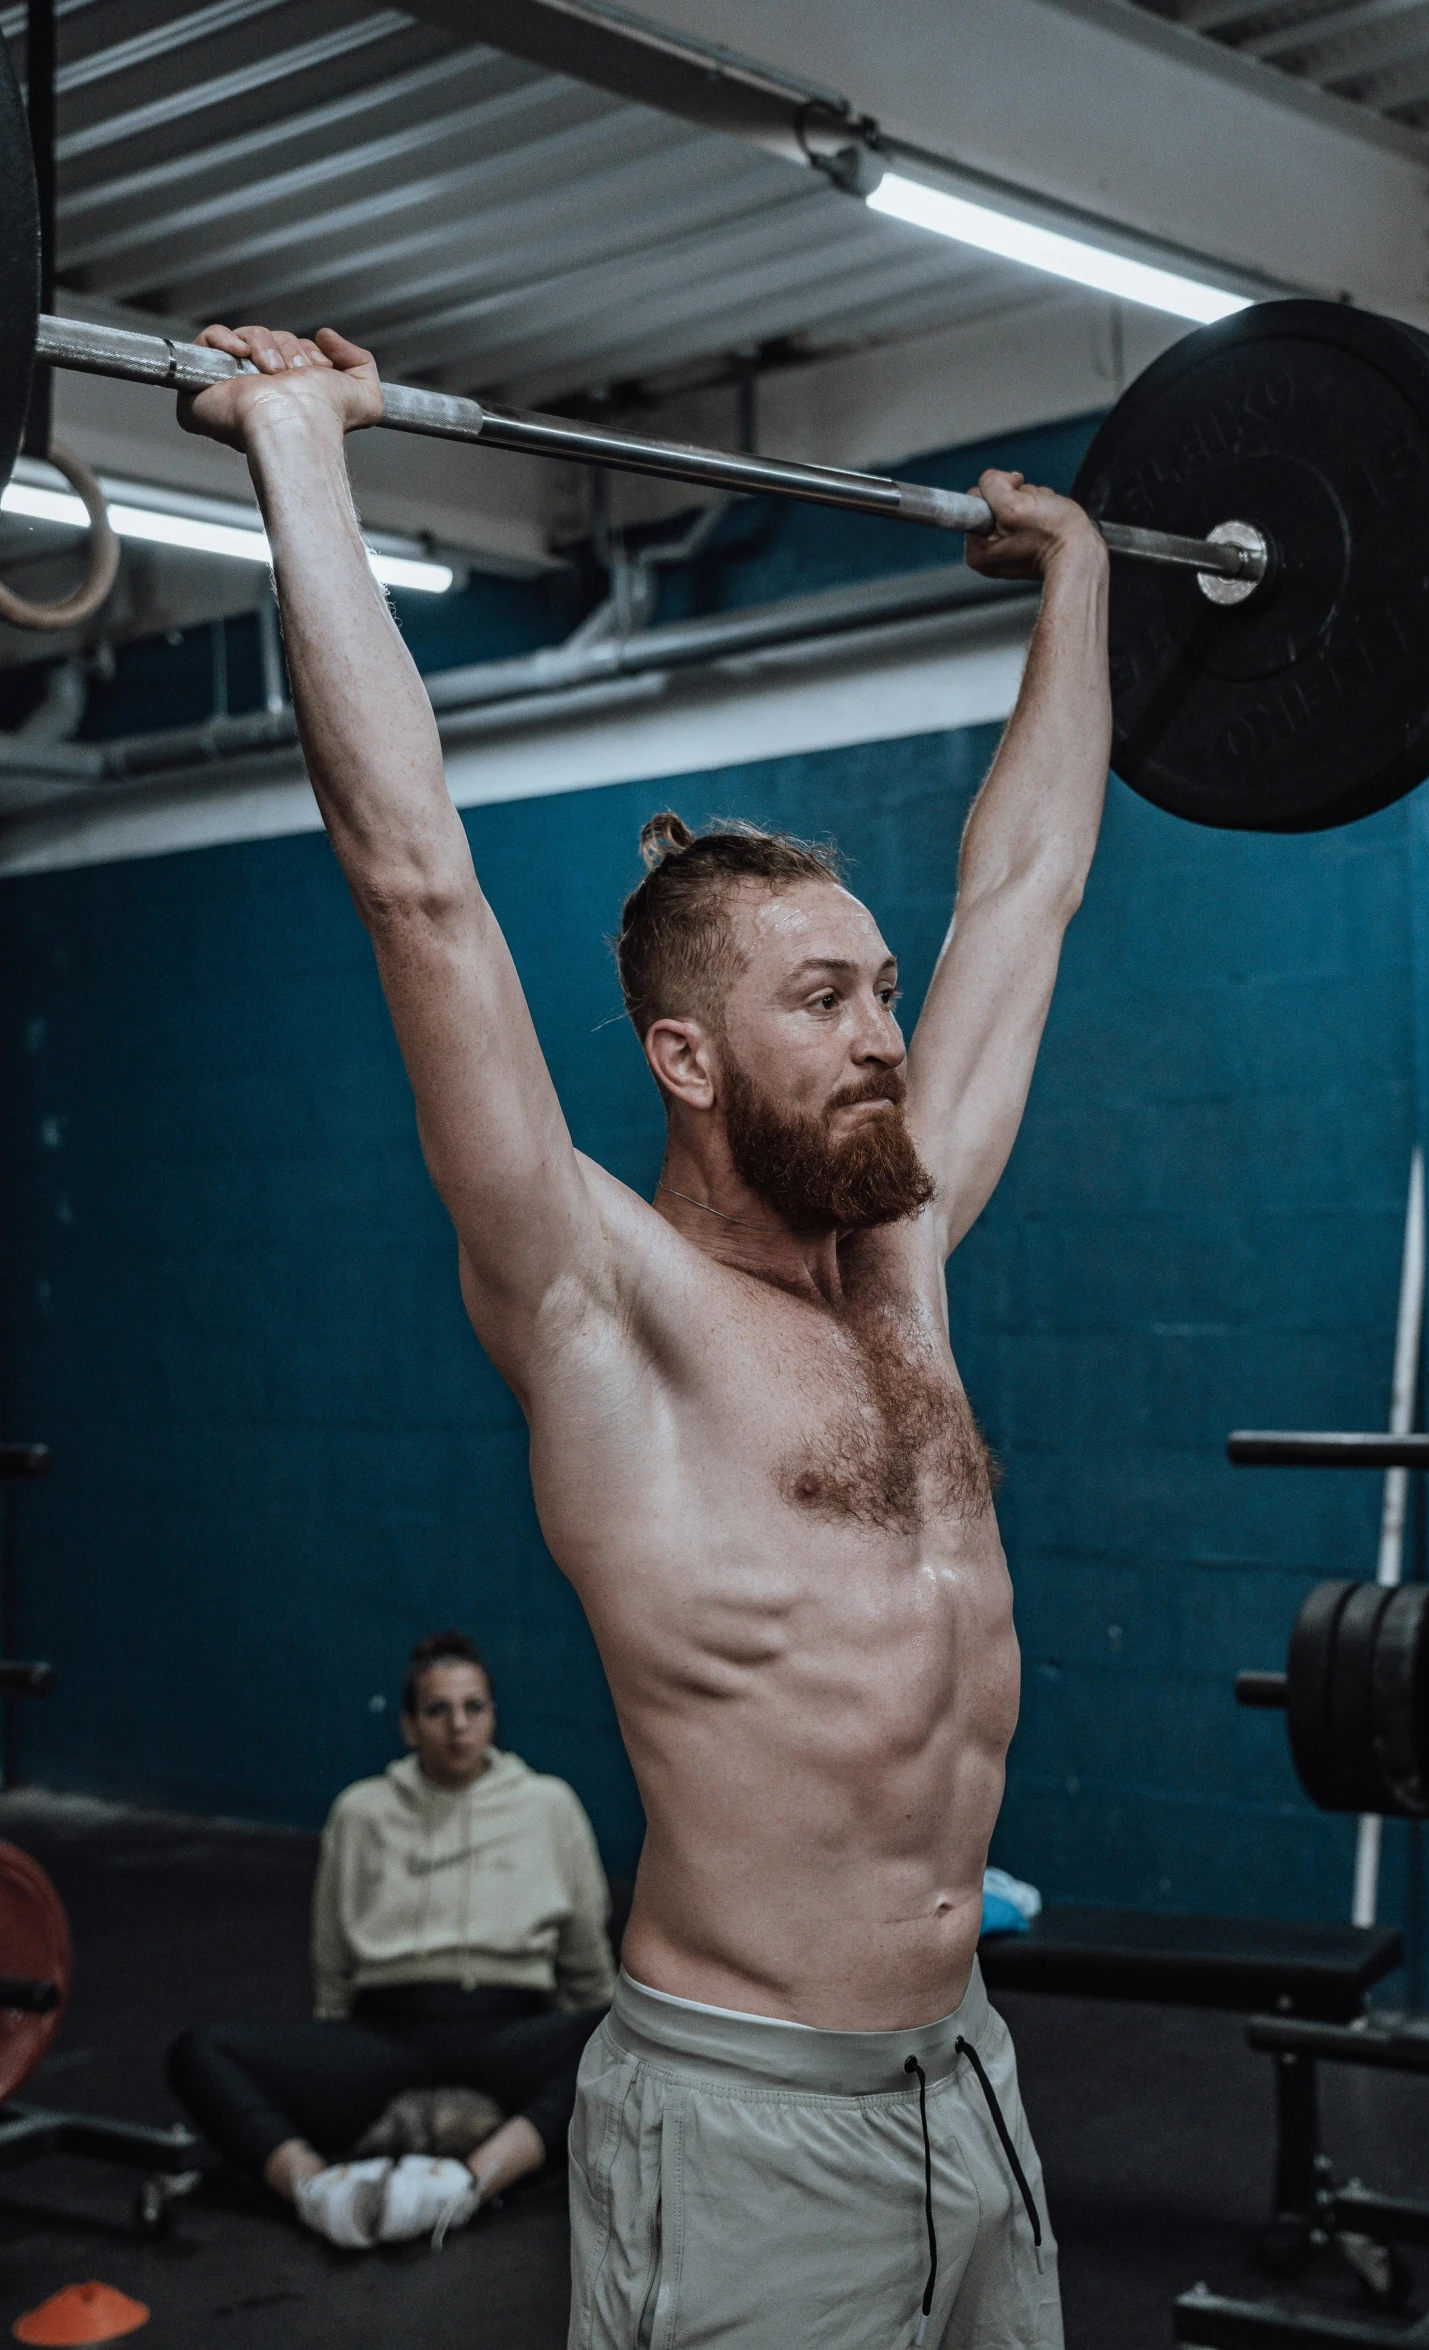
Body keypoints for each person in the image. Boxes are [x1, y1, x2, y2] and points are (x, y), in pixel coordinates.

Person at [177, 318, 1108, 2347]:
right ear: (684, 1054)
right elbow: (417, 887)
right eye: (826, 1002)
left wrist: (1085, 571)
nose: (885, 1031)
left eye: (880, 988)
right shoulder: (598, 1303)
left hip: (971, 2078)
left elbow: (1028, 888)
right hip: (746, 2124)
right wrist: (298, 452)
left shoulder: (903, 1260)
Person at [168, 1630, 614, 2249]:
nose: (458, 1725)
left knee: (621, 2036)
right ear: (408, 1726)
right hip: (385, 2035)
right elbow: (332, 1958)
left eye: (474, 1708)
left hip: (506, 2029)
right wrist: (327, 2059)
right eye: (438, 1710)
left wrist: (598, 2059)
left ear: (492, 1716)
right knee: (199, 2052)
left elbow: (586, 1957)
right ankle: (319, 2192)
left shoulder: (549, 1806)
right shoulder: (361, 1812)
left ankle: (466, 2187)